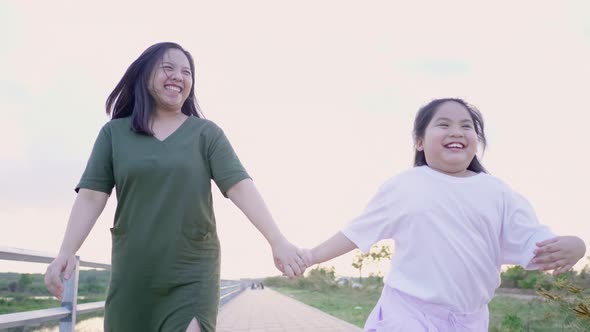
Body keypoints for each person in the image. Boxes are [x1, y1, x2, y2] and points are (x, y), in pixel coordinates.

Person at [44, 42, 307, 332]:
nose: (178, 77)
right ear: (145, 76)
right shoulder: (113, 134)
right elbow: (92, 197)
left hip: (192, 270)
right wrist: (66, 251)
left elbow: (240, 187)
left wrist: (277, 239)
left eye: (186, 72)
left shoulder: (206, 134)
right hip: (133, 273)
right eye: (167, 68)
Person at [301, 98, 586, 331]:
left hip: (470, 319)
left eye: (467, 126)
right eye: (443, 124)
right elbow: (357, 231)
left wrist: (574, 245)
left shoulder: (498, 192)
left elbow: (531, 237)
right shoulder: (405, 186)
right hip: (407, 312)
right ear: (419, 141)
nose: (456, 131)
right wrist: (311, 257)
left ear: (477, 141)